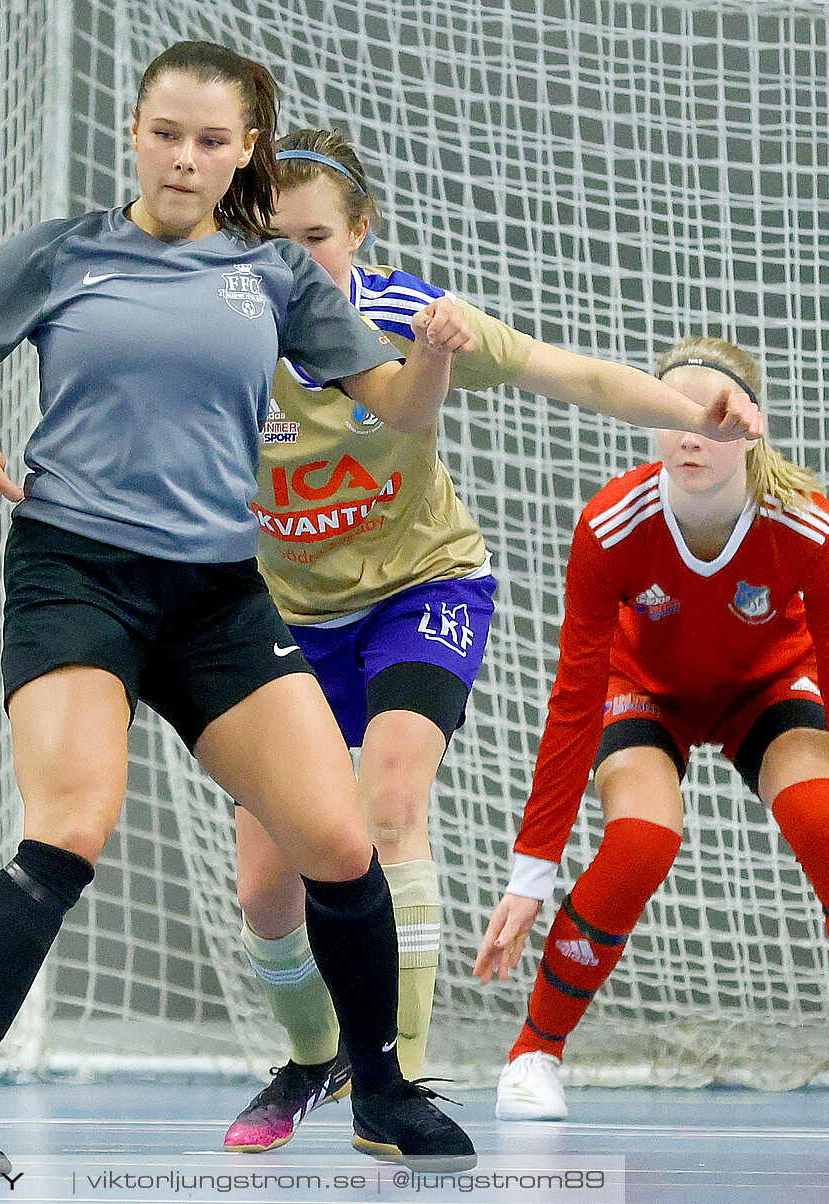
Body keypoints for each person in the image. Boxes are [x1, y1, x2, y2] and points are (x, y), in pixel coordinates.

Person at [0, 41, 477, 1171]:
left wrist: (438, 356)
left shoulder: (276, 275)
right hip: (77, 572)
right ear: (137, 130)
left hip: (216, 594)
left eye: (211, 140)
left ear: (244, 150)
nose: (185, 157)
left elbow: (399, 414)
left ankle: (382, 1096)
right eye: (167, 133)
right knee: (71, 824)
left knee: (341, 840)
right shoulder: (66, 249)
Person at [221, 128, 764, 1154]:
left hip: (420, 590)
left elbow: (576, 375)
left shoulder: (411, 321)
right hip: (282, 614)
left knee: (391, 800)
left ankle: (401, 1077)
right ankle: (312, 1055)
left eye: (316, 235)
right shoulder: (216, 337)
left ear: (362, 234)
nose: (292, 257)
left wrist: (698, 406)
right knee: (266, 887)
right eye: (266, 234)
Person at [471, 336, 829, 1125]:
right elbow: (574, 702)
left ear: (751, 427)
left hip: (769, 690)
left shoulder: (808, 527)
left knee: (822, 818)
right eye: (670, 412)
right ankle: (534, 1054)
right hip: (645, 694)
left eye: (710, 415)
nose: (690, 432)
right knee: (640, 841)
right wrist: (531, 872)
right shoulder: (611, 526)